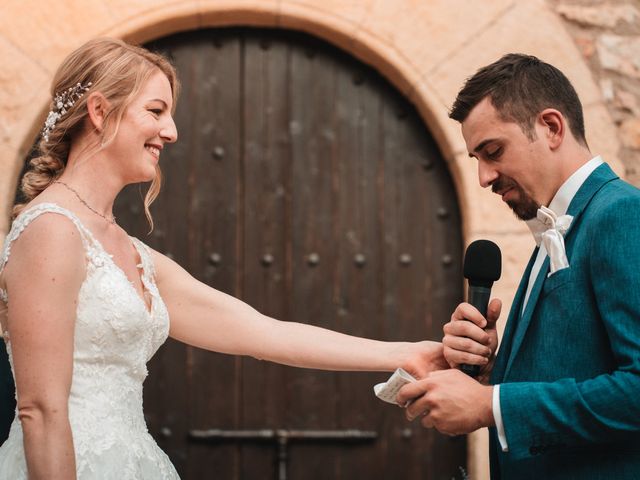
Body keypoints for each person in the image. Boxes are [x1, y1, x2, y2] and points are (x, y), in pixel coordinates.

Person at [0, 37, 447, 479]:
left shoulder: (132, 252)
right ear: (99, 111)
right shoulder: (51, 230)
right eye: (156, 112)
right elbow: (41, 410)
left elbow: (266, 333)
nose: (171, 132)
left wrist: (409, 354)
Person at [397, 53, 640, 479]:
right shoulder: (553, 228)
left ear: (550, 127)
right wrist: (495, 367)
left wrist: (490, 406)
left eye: (493, 151)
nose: (484, 177)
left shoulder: (620, 214)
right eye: (476, 159)